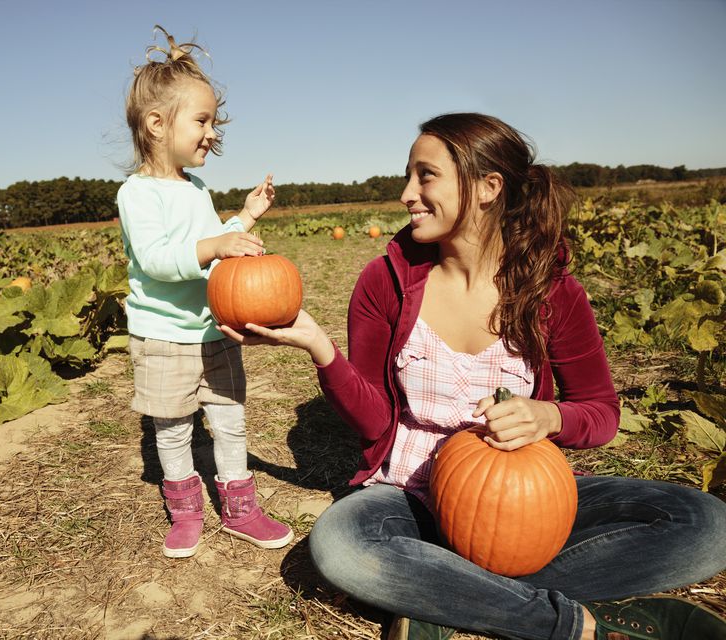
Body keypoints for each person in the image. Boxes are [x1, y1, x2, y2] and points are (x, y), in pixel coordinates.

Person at [220, 113, 726, 639]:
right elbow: (375, 424)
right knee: (342, 546)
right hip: (407, 494)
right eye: (408, 176)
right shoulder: (385, 283)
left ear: (488, 188)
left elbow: (601, 413)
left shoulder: (552, 291)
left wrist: (547, 415)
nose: (406, 193)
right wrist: (321, 350)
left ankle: (439, 593)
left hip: (524, 501)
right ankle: (567, 623)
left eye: (425, 175)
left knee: (707, 527)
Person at [117, 26, 293, 559]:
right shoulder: (137, 194)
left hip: (213, 327)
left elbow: (209, 244)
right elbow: (161, 260)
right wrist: (218, 243)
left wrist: (244, 218)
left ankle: (240, 507)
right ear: (156, 124)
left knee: (230, 415)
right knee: (171, 427)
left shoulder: (196, 189)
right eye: (202, 121)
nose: (212, 132)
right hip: (164, 335)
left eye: (213, 121)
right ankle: (186, 511)